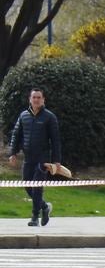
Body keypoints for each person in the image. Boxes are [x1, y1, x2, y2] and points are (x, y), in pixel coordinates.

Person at [7, 88, 62, 227]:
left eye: (39, 97)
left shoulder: (49, 117)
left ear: (43, 100)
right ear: (30, 99)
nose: (36, 100)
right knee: (27, 185)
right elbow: (16, 135)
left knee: (37, 187)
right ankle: (44, 207)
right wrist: (12, 153)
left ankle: (34, 217)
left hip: (42, 159)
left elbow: (55, 140)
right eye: (34, 97)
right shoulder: (23, 115)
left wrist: (56, 161)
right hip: (28, 158)